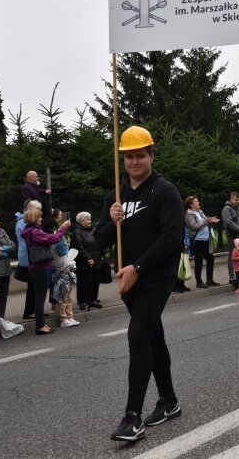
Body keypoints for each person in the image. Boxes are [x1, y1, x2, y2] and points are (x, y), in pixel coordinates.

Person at [95, 125, 183, 442]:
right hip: (128, 279)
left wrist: (139, 266)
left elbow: (172, 238)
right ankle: (169, 401)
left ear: (151, 155)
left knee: (138, 336)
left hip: (155, 276)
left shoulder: (164, 191)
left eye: (140, 155)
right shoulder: (115, 197)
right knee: (153, 337)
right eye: (129, 156)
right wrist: (112, 221)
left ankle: (132, 417)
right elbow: (99, 239)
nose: (134, 162)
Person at [20, 202, 70, 335]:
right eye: (39, 217)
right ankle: (40, 325)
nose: (41, 219)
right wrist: (63, 228)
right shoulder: (35, 232)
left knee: (39, 296)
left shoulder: (29, 231)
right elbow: (53, 239)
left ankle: (41, 324)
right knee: (40, 297)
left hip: (36, 266)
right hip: (40, 266)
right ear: (34, 218)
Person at [184, 196, 220, 289]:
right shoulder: (189, 214)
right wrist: (206, 221)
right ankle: (199, 282)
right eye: (196, 201)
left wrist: (210, 219)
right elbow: (194, 226)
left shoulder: (200, 212)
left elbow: (205, 221)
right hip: (197, 240)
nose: (198, 202)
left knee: (210, 259)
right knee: (198, 261)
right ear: (191, 205)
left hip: (206, 239)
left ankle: (209, 280)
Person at [71, 211, 103, 310]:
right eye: (87, 219)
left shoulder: (93, 230)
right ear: (81, 221)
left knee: (95, 281)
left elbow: (99, 243)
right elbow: (79, 247)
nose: (90, 221)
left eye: (90, 219)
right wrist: (88, 258)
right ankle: (82, 301)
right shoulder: (77, 232)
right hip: (83, 261)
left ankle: (93, 300)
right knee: (83, 282)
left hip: (96, 259)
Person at [221, 191, 239, 288]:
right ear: (231, 198)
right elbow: (229, 223)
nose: (237, 202)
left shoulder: (238, 209)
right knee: (233, 256)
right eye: (236, 200)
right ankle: (232, 277)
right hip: (232, 235)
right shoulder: (226, 209)